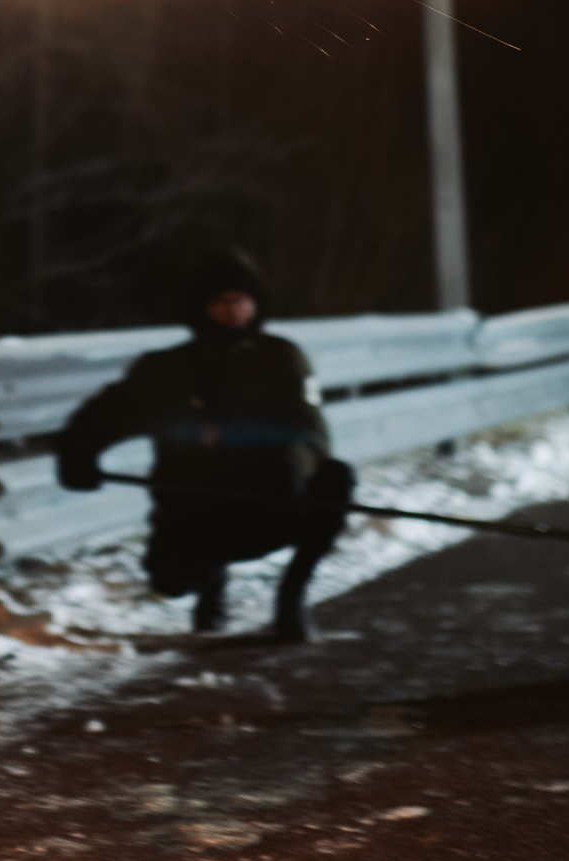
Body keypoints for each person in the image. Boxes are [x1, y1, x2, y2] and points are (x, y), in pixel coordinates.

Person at [55, 254, 355, 641]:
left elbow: (310, 430)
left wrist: (290, 468)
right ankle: (209, 597)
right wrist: (77, 453)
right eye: (220, 301)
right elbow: (108, 414)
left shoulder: (281, 357)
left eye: (241, 300)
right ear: (200, 307)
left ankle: (291, 603)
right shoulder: (165, 369)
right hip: (198, 509)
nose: (233, 311)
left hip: (270, 500)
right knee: (171, 580)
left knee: (336, 479)